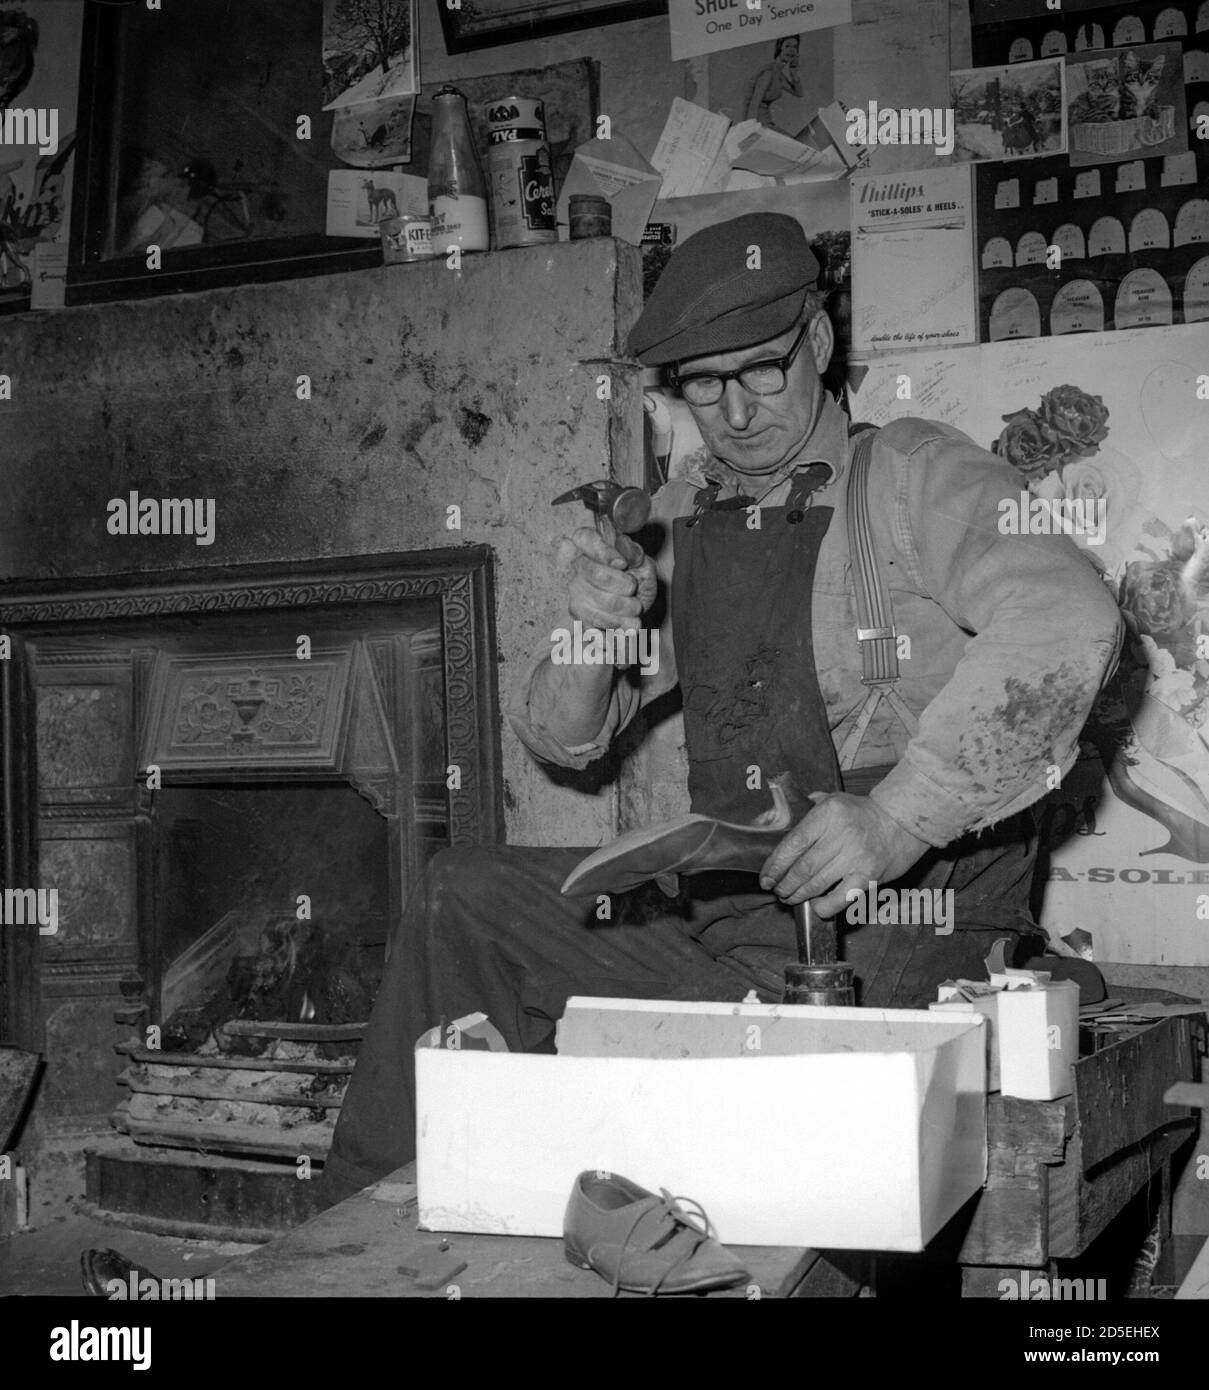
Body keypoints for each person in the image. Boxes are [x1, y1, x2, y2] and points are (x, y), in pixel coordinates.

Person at [317, 211, 1123, 1207]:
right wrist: (593, 632)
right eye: (704, 382)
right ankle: (362, 1237)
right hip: (732, 923)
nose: (734, 411)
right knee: (461, 896)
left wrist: (902, 815)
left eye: (761, 371)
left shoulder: (915, 474)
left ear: (819, 345)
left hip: (906, 931)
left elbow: (1070, 615)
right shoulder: (680, 511)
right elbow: (562, 739)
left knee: (768, 1113)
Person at [745, 36, 803, 133]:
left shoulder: (778, 73)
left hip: (766, 124)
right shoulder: (769, 72)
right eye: (787, 46)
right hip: (757, 126)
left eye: (795, 47)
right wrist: (750, 131)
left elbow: (799, 93)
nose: (792, 50)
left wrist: (794, 73)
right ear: (780, 47)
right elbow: (754, 103)